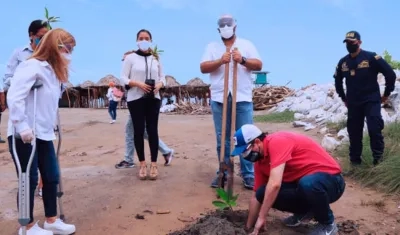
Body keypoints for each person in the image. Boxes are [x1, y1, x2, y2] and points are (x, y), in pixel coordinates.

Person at [7, 28, 76, 235]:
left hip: (44, 133)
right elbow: (14, 96)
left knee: (52, 176)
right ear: (55, 46)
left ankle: (51, 220)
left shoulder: (54, 74)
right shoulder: (32, 66)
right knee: (29, 178)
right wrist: (21, 126)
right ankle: (26, 226)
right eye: (67, 48)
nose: (69, 53)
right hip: (25, 134)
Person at [230, 124, 345, 235]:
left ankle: (327, 223)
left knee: (307, 184)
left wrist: (262, 217)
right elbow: (256, 197)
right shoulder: (260, 163)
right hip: (305, 185)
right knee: (262, 193)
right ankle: (304, 212)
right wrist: (248, 227)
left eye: (246, 151)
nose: (245, 156)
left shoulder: (277, 142)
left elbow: (275, 184)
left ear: (257, 142)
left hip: (332, 181)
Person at [200, 14, 262, 189]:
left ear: (235, 27)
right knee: (223, 137)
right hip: (220, 97)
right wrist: (221, 60)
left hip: (241, 96)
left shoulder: (246, 45)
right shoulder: (212, 47)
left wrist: (241, 60)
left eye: (229, 25)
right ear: (218, 29)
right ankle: (224, 172)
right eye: (223, 25)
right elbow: (203, 67)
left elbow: (258, 65)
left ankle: (248, 174)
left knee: (246, 136)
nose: (226, 27)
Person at [334, 31, 396, 166]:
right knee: (354, 133)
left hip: (371, 100)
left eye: (353, 42)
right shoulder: (343, 62)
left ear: (359, 42)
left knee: (374, 130)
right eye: (347, 42)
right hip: (353, 103)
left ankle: (378, 162)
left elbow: (390, 74)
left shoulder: (372, 57)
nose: (350, 45)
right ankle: (355, 164)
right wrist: (344, 98)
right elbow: (338, 81)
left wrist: (386, 94)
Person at [121, 29, 166, 180]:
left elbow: (163, 77)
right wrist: (137, 84)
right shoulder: (130, 58)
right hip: (135, 98)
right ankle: (142, 164)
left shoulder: (156, 58)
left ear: (151, 40)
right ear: (137, 40)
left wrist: (159, 85)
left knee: (153, 130)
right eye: (141, 38)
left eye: (146, 38)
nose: (144, 40)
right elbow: (123, 78)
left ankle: (154, 163)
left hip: (154, 98)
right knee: (138, 131)